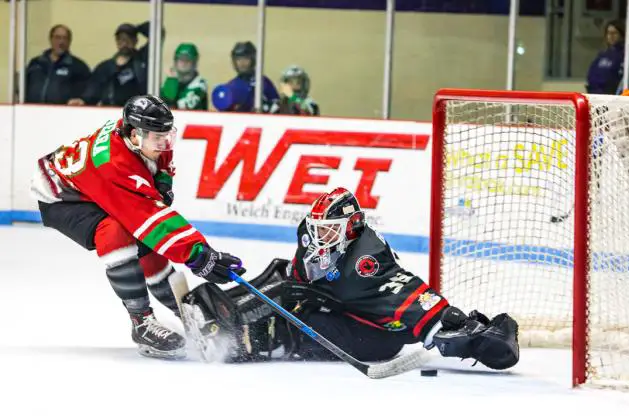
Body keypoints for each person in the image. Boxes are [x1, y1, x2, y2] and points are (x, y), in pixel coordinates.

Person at [180, 187, 520, 370]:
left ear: (352, 226)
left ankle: (234, 339)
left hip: (375, 338)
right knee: (282, 272)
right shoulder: (314, 241)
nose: (319, 238)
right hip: (342, 306)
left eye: (329, 231)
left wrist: (456, 328)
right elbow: (298, 274)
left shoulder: (366, 262)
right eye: (317, 230)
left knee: (291, 311)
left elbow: (411, 294)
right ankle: (224, 313)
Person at [30, 95, 245, 359]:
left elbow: (161, 160)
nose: (165, 143)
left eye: (168, 136)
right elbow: (149, 218)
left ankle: (184, 310)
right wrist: (198, 254)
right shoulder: (114, 164)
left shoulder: (145, 135)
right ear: (134, 136)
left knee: (144, 239)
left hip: (90, 184)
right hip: (63, 197)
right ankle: (141, 322)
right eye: (158, 138)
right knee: (117, 231)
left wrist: (162, 182)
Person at [68, 24, 147, 107]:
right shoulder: (105, 67)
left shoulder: (142, 63)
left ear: (135, 41)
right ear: (116, 41)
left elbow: (158, 33)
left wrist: (136, 28)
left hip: (135, 113)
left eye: (128, 39)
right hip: (109, 112)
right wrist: (83, 100)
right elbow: (93, 88)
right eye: (121, 39)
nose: (124, 43)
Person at [25, 24, 91, 104]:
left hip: (63, 114)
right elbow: (24, 87)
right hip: (32, 112)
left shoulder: (78, 67)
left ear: (70, 41)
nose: (61, 42)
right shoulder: (35, 63)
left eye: (65, 38)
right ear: (51, 39)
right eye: (57, 37)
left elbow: (86, 94)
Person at [211, 41, 279, 113]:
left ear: (253, 60)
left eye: (246, 58)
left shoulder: (263, 82)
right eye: (238, 59)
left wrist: (266, 107)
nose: (242, 63)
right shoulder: (231, 86)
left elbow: (277, 106)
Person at [160, 43, 208, 110]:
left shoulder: (200, 85)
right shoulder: (172, 80)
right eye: (181, 59)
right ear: (175, 61)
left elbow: (182, 107)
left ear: (194, 63)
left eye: (187, 60)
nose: (183, 63)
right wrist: (172, 81)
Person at [586, 19, 625, 95]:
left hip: (613, 97)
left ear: (622, 35)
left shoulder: (624, 56)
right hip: (596, 95)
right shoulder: (602, 55)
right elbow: (591, 75)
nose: (611, 36)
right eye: (608, 33)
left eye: (614, 33)